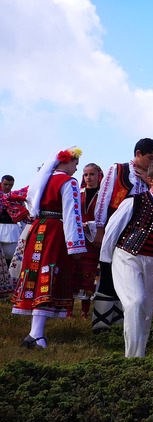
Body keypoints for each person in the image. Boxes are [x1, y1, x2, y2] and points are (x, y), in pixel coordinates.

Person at [100, 160, 153, 358]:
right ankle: (133, 358)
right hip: (127, 256)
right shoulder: (133, 202)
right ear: (150, 180)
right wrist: (106, 264)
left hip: (151, 260)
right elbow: (111, 232)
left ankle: (140, 353)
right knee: (135, 301)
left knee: (145, 309)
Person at [11, 147, 86, 348]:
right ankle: (37, 336)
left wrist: (24, 216)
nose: (76, 170)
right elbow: (72, 215)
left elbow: (12, 197)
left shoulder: (40, 181)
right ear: (66, 161)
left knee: (36, 277)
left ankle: (34, 333)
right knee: (48, 276)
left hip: (36, 230)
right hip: (54, 232)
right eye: (75, 164)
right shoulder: (68, 182)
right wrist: (76, 245)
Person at [91, 138, 153, 333]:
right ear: (138, 154)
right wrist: (100, 228)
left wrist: (149, 180)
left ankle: (121, 323)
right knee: (108, 272)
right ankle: (102, 324)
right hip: (115, 230)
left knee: (131, 277)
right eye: (150, 158)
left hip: (138, 236)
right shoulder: (118, 170)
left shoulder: (151, 177)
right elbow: (104, 199)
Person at [70, 163, 103, 317]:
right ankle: (68, 311)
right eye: (85, 174)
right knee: (72, 272)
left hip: (93, 241)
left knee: (89, 274)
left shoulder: (103, 195)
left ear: (99, 176)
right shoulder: (77, 193)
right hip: (77, 238)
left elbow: (106, 217)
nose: (88, 177)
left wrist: (90, 226)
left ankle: (84, 312)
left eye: (92, 174)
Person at [0, 176, 29, 298]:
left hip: (13, 230)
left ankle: (9, 287)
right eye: (5, 184)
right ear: (1, 183)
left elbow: (24, 216)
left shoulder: (16, 199)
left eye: (10, 185)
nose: (8, 187)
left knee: (12, 259)